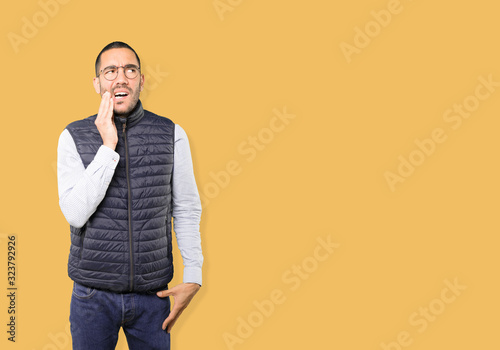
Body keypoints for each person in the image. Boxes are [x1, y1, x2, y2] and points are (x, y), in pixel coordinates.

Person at [57, 41, 203, 350]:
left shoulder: (172, 133)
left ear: (141, 80)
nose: (121, 78)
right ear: (97, 83)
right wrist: (108, 146)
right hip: (91, 298)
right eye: (110, 71)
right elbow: (74, 213)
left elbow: (186, 208)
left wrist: (193, 274)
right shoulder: (72, 136)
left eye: (130, 70)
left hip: (153, 299)